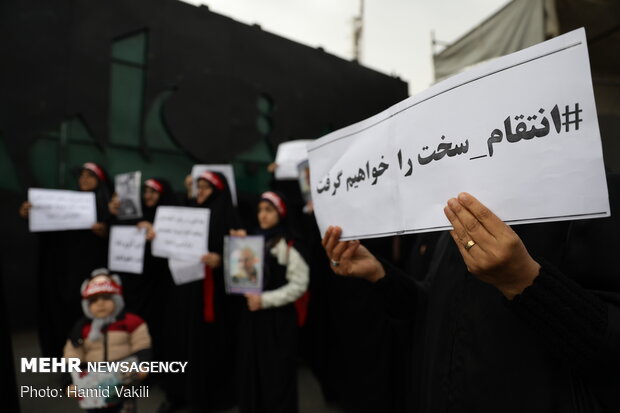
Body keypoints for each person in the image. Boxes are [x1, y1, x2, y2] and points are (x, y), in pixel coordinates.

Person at [322, 181, 620, 412]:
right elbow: (434, 314)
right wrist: (380, 275)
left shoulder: (591, 194)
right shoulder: (459, 212)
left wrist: (526, 282)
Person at [19, 162, 112, 358]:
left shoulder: (108, 206)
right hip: (64, 270)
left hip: (94, 272)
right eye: (81, 176)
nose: (84, 180)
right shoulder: (67, 203)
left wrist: (105, 231)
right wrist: (31, 215)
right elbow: (50, 233)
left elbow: (119, 238)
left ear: (100, 181)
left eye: (90, 176)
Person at [237, 191, 309, 413]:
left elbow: (299, 285)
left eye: (268, 210)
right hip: (253, 319)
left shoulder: (288, 246)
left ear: (280, 213)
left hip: (277, 323)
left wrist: (265, 300)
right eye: (260, 210)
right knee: (254, 371)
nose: (262, 215)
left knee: (276, 375)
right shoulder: (253, 241)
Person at [63, 268, 151, 413]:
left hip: (124, 384)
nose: (100, 303)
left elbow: (142, 346)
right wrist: (68, 383)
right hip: (93, 388)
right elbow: (71, 356)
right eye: (94, 300)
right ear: (86, 305)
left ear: (117, 299)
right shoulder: (81, 329)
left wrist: (143, 366)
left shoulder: (131, 323)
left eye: (106, 298)